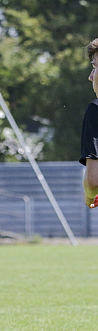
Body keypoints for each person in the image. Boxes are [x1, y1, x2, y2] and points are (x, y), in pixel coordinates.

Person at [81, 38, 98, 208]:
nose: (90, 77)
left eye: (95, 68)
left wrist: (89, 196)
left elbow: (93, 182)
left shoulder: (96, 110)